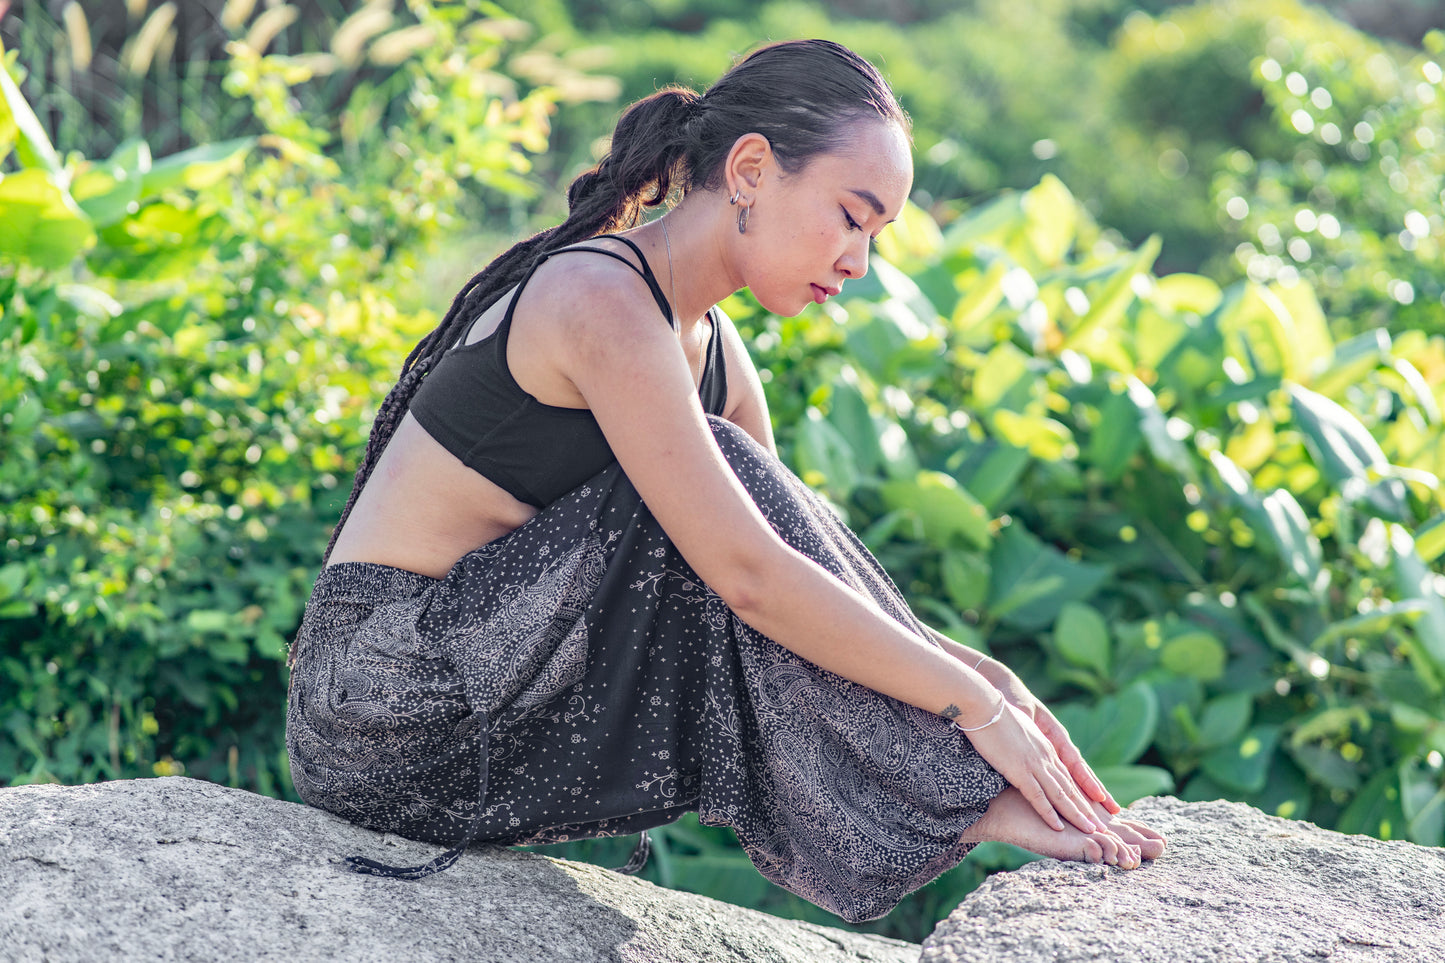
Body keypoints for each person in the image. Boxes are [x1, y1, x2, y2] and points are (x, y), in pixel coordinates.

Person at [284, 38, 1165, 923]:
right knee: (727, 498)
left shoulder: (717, 357)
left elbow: (797, 582)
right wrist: (971, 708)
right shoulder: (596, 299)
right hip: (377, 708)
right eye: (850, 216)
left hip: (498, 704)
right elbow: (751, 578)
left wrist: (996, 687)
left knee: (748, 516)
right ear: (749, 169)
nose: (859, 262)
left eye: (877, 234)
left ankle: (965, 802)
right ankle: (966, 802)